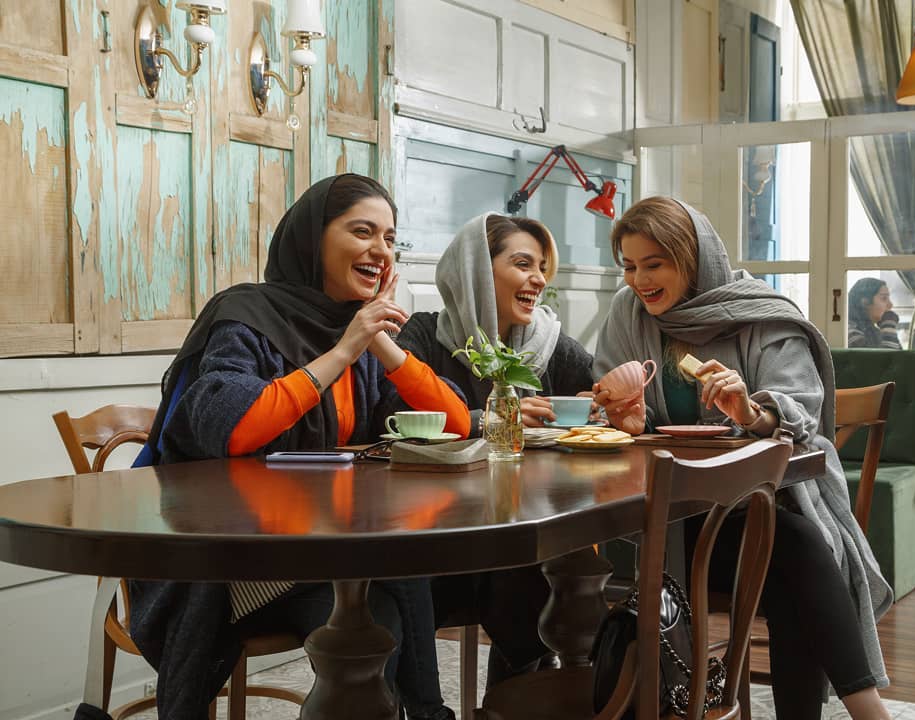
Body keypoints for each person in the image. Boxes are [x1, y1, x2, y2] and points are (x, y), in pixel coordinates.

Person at [126, 174, 469, 720]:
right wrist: (346, 347)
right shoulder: (246, 316)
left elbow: (454, 422)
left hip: (322, 550)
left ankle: (423, 713)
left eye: (389, 238)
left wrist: (379, 342)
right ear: (313, 239)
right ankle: (431, 714)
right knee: (385, 593)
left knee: (382, 610)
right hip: (231, 561)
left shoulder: (354, 330)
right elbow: (235, 426)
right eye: (362, 231)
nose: (381, 251)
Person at [592, 196, 893, 720]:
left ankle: (865, 710)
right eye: (630, 266)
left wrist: (752, 411)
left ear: (692, 258)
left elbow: (802, 409)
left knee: (787, 547)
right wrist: (623, 419)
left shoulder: (756, 310)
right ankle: (869, 711)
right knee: (793, 552)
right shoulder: (627, 313)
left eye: (654, 263)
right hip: (669, 526)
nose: (640, 280)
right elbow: (610, 400)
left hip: (754, 509)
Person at [385, 212, 595, 684]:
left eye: (541, 267)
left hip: (519, 539)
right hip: (436, 535)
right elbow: (396, 415)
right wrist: (488, 419)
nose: (539, 279)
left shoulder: (548, 343)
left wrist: (606, 400)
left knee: (533, 561)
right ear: (477, 270)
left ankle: (518, 692)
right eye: (523, 264)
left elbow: (598, 394)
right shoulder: (424, 336)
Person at [847, 277, 902, 349]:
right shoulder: (850, 332)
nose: (890, 305)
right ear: (865, 302)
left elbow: (899, 355)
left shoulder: (875, 332)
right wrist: (889, 325)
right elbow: (887, 356)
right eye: (884, 298)